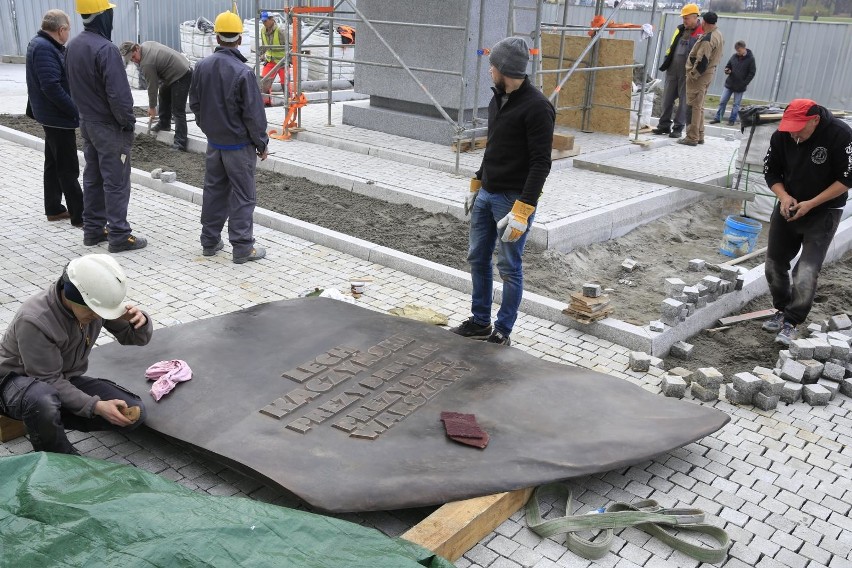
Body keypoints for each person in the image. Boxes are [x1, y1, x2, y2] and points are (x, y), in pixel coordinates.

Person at [450, 37, 555, 347]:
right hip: (487, 195)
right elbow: (494, 146)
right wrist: (477, 182)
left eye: (492, 66)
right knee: (477, 258)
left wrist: (524, 208)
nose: (489, 71)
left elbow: (541, 163)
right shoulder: (498, 99)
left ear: (503, 69)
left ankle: (502, 331)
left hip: (512, 201)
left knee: (509, 267)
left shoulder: (538, 107)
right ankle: (480, 322)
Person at [0, 254, 152, 455]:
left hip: (62, 380)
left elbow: (136, 339)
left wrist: (137, 322)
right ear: (70, 295)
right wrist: (95, 405)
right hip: (14, 384)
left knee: (134, 412)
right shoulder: (35, 319)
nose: (98, 317)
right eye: (94, 311)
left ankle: (50, 418)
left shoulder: (93, 306)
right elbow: (47, 379)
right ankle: (60, 461)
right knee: (42, 400)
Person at [761, 99, 852, 345]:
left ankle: (792, 321)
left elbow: (847, 178)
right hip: (789, 206)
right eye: (789, 126)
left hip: (824, 210)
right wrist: (784, 196)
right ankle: (781, 309)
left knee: (806, 271)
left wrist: (811, 203)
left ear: (815, 120)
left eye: (799, 127)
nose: (793, 132)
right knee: (773, 264)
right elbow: (771, 171)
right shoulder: (782, 136)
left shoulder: (840, 135)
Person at [65, 0, 147, 253]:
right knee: (116, 181)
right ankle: (119, 235)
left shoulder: (73, 45)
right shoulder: (106, 49)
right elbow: (119, 95)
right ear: (102, 16)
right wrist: (128, 122)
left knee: (93, 177)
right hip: (109, 126)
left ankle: (93, 229)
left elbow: (69, 83)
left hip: (87, 122)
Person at [189, 8, 268, 264]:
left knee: (214, 192)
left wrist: (209, 129)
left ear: (217, 37)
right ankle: (243, 248)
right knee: (243, 196)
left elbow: (196, 104)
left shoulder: (201, 66)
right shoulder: (243, 72)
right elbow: (254, 116)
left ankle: (209, 241)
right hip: (238, 147)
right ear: (240, 39)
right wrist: (262, 143)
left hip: (215, 145)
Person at [25, 9, 84, 228]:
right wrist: (75, 111)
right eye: (68, 29)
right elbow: (51, 86)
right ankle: (80, 216)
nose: (68, 34)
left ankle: (54, 208)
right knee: (68, 168)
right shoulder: (44, 48)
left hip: (50, 116)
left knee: (53, 162)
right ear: (61, 30)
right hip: (56, 118)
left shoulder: (42, 44)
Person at [119, 41, 192, 152]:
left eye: (133, 56)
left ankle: (180, 143)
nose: (134, 60)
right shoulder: (146, 45)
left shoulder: (146, 63)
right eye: (131, 59)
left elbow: (152, 87)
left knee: (177, 110)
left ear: (137, 48)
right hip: (173, 71)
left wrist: (152, 107)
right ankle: (164, 123)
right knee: (163, 92)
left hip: (181, 74)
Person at [652, 4, 703, 139]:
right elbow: (671, 47)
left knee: (683, 102)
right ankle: (663, 125)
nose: (684, 21)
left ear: (695, 17)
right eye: (683, 18)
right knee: (666, 99)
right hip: (672, 70)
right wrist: (666, 61)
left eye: (686, 18)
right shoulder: (680, 29)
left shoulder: (701, 33)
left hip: (687, 74)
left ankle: (678, 128)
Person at [680, 12, 724, 147]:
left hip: (699, 77)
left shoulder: (708, 38)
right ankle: (699, 135)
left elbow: (702, 61)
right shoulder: (718, 34)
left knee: (693, 107)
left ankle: (692, 137)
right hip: (707, 74)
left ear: (704, 22)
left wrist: (692, 75)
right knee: (699, 106)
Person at [710, 40, 755, 126]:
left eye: (739, 51)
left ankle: (732, 120)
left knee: (736, 104)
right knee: (722, 101)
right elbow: (728, 66)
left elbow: (752, 73)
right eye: (737, 51)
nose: (738, 52)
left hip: (740, 86)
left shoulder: (751, 59)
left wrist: (744, 83)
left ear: (744, 48)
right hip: (729, 84)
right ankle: (718, 118)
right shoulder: (734, 56)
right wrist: (727, 70)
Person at [259, 11, 287, 106]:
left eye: (265, 21)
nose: (264, 23)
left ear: (272, 19)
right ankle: (267, 103)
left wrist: (289, 60)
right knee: (264, 83)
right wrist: (262, 55)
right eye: (262, 21)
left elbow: (288, 46)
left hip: (282, 62)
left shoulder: (280, 31)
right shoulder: (262, 30)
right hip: (270, 61)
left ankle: (289, 102)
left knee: (285, 83)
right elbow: (263, 46)